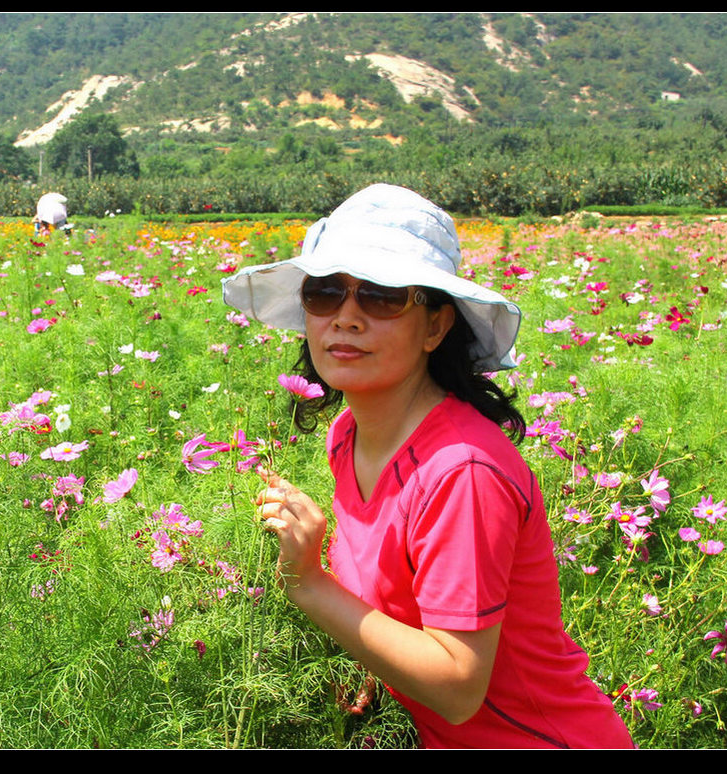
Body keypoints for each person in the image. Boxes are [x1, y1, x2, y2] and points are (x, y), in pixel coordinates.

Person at [221, 184, 634, 749]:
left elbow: (459, 687)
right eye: (324, 293)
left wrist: (311, 584)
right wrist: (378, 665)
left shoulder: (461, 472)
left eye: (383, 297)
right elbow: (396, 599)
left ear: (436, 327)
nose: (346, 317)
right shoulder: (349, 434)